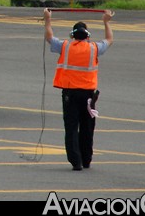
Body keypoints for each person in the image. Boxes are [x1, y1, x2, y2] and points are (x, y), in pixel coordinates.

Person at [43, 9, 114, 171]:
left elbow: (49, 37)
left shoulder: (65, 46)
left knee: (71, 127)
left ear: (72, 35)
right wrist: (106, 22)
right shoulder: (94, 48)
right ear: (88, 36)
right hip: (89, 95)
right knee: (87, 127)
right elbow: (109, 39)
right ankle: (86, 159)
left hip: (70, 94)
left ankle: (76, 161)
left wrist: (47, 19)